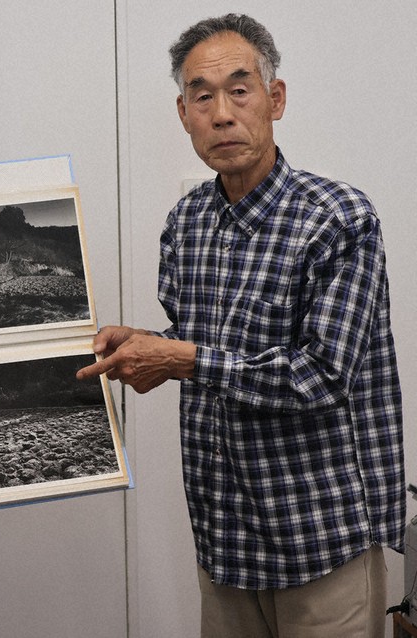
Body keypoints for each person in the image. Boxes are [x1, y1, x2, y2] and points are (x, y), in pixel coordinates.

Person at [77, 14, 403, 638]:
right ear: (184, 114)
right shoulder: (187, 222)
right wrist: (145, 345)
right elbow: (202, 345)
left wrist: (180, 358)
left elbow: (322, 374)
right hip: (225, 537)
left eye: (240, 89)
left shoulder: (339, 219)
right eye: (202, 97)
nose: (222, 115)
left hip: (321, 538)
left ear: (275, 99)